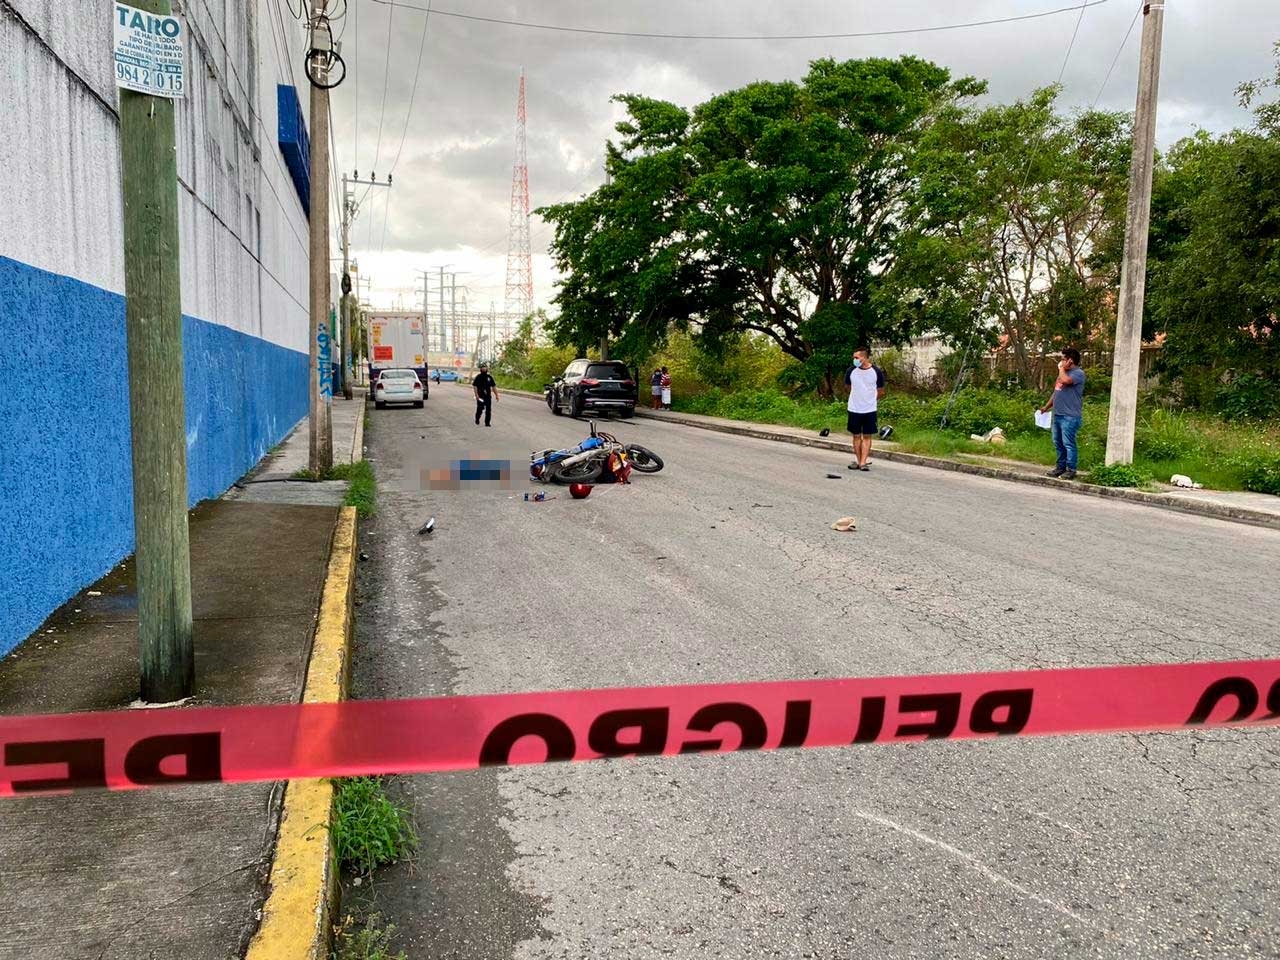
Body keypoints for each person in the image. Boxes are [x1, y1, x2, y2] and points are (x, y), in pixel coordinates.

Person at [1038, 347, 1086, 479]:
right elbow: (1057, 391)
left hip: (1070, 416)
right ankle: (1060, 467)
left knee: (1068, 443)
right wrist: (1046, 407)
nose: (1061, 362)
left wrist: (1061, 368)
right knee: (1058, 442)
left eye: (1063, 359)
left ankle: (1071, 469)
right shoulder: (1063, 373)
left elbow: (1065, 381)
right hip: (1057, 414)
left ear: (1071, 360)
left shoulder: (1078, 373)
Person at [845, 347, 886, 472]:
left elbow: (881, 391)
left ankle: (863, 462)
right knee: (856, 436)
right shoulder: (851, 371)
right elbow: (847, 387)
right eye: (854, 358)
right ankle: (858, 461)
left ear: (864, 357)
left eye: (857, 358)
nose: (855, 360)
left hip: (869, 409)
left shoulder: (876, 372)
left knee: (867, 436)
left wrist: (870, 400)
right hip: (854, 408)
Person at [473, 363, 499, 427]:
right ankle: (477, 418)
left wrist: (497, 395)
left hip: (488, 396)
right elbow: (475, 386)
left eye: (485, 367)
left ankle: (487, 423)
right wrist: (476, 395)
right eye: (483, 367)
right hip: (480, 397)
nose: (484, 368)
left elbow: (493, 387)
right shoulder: (478, 377)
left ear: (487, 369)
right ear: (481, 369)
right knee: (480, 408)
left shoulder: (489, 377)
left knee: (488, 410)